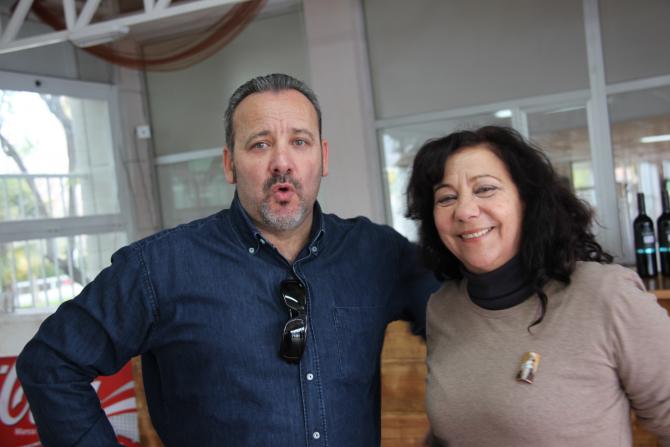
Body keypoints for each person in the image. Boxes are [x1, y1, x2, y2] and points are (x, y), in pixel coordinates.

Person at [17, 73, 439, 447]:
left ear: (323, 157)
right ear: (229, 164)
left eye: (299, 141)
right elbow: (51, 362)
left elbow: (458, 310)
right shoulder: (161, 268)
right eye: (260, 144)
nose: (282, 163)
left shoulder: (376, 253)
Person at [406, 126, 670, 446]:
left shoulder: (606, 294)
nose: (464, 211)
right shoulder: (443, 307)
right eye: (447, 197)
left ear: (527, 200)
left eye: (485, 189)